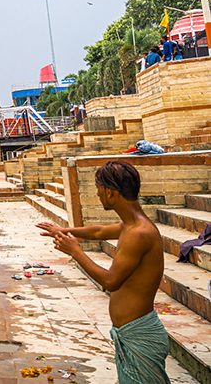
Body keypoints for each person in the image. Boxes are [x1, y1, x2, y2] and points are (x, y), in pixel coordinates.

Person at [35, 161, 168, 383]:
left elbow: (111, 281)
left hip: (139, 334)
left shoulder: (139, 233)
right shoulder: (130, 225)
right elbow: (98, 231)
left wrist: (75, 251)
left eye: (98, 189)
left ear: (110, 192)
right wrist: (63, 230)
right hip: (129, 332)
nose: (97, 195)